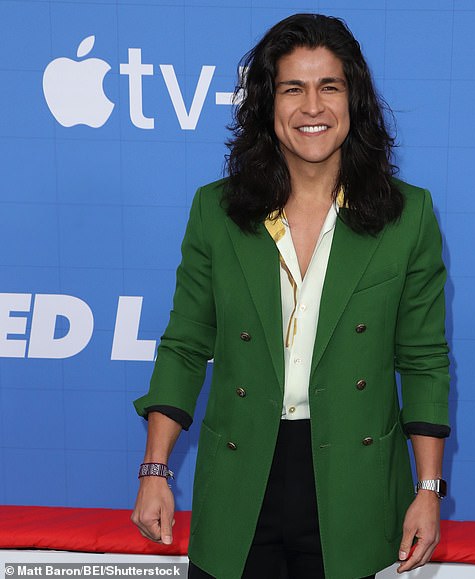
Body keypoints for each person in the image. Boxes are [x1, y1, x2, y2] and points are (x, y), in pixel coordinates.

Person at [131, 13, 450, 579]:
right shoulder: (217, 211)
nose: (312, 107)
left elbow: (424, 360)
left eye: (329, 87)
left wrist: (428, 489)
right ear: (267, 104)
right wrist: (155, 470)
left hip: (353, 482)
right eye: (293, 89)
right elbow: (185, 345)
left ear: (354, 101)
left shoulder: (407, 216)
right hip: (240, 477)